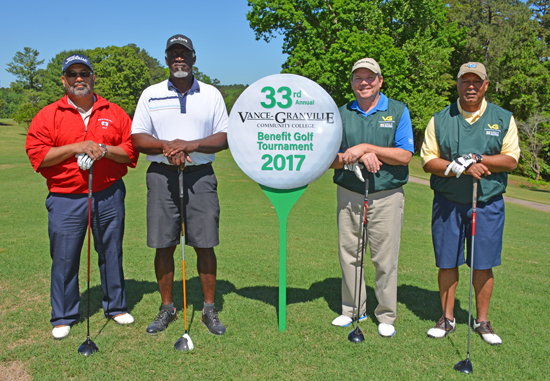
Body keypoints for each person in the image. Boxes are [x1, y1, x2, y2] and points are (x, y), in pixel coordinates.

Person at [25, 54, 139, 340]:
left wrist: (102, 148)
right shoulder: (48, 115)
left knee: (111, 251)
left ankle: (116, 306)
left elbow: (130, 152)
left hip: (108, 193)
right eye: (73, 74)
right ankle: (63, 315)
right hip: (65, 197)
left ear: (93, 78)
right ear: (64, 80)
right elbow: (39, 156)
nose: (79, 78)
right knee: (64, 257)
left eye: (84, 73)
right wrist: (77, 146)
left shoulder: (114, 112)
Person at [131, 34, 229, 336]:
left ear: (193, 58)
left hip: (200, 176)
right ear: (165, 59)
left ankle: (209, 309)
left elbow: (224, 136)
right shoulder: (151, 94)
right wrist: (168, 148)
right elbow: (138, 138)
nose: (178, 58)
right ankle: (167, 307)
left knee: (204, 242)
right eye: (173, 53)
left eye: (183, 53)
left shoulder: (211, 94)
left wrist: (190, 144)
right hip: (162, 177)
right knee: (164, 244)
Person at [421, 62, 519, 345]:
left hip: (486, 202)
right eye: (466, 81)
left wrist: (478, 159)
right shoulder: (440, 119)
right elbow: (429, 160)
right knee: (447, 260)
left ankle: (482, 321)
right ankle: (447, 318)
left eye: (477, 81)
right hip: (448, 201)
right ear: (458, 84)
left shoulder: (502, 118)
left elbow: (511, 159)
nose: (471, 86)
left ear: (486, 85)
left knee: (483, 263)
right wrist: (460, 167)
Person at [330, 58, 414, 337]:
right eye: (358, 78)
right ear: (352, 82)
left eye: (370, 77)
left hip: (387, 195)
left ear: (380, 80)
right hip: (350, 192)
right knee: (349, 255)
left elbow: (404, 156)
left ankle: (386, 314)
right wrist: (352, 155)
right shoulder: (341, 113)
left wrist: (368, 147)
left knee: (384, 259)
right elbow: (329, 158)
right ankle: (352, 310)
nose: (363, 83)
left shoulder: (398, 111)